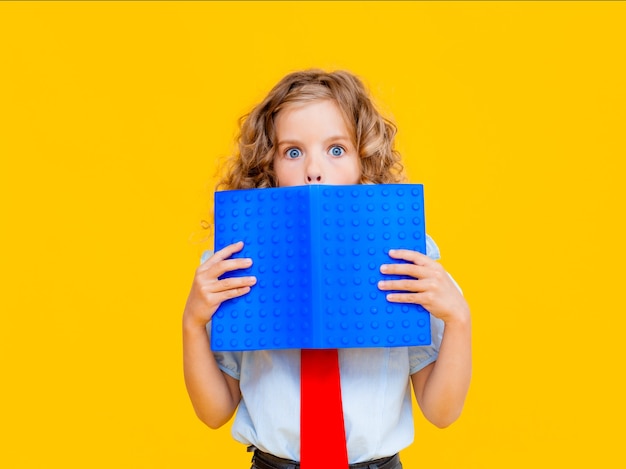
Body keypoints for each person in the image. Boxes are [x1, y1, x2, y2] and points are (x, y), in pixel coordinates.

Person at [183, 69, 472, 469]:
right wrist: (193, 323)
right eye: (293, 151)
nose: (314, 169)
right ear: (269, 165)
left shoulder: (407, 256)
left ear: (364, 160)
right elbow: (214, 411)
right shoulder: (237, 261)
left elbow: (441, 411)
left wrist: (458, 318)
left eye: (336, 150)